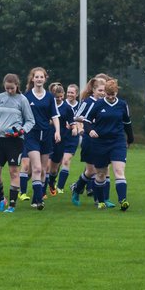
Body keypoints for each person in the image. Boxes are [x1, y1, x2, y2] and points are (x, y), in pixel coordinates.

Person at [0, 73, 34, 213]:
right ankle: (1, 199)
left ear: (16, 86)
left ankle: (12, 205)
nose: (9, 91)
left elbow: (30, 120)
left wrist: (21, 131)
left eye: (12, 88)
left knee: (14, 172)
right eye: (7, 88)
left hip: (15, 141)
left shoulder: (22, 100)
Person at [82, 76, 133, 211]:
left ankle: (123, 200)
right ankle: (100, 201)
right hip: (100, 143)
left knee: (119, 171)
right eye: (108, 94)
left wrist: (130, 139)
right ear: (104, 92)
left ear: (117, 92)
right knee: (101, 174)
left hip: (117, 142)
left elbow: (127, 123)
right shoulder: (98, 104)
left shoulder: (122, 105)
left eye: (113, 94)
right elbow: (86, 121)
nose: (110, 97)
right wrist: (91, 130)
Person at [19, 67, 60, 210]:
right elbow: (21, 115)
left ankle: (37, 198)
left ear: (45, 78)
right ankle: (39, 201)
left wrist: (57, 132)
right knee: (36, 168)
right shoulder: (26, 96)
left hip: (47, 134)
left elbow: (54, 116)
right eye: (36, 77)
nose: (39, 79)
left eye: (41, 77)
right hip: (31, 135)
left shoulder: (50, 97)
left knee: (43, 169)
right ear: (32, 79)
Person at [70, 75, 107, 206]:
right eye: (100, 91)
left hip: (102, 140)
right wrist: (88, 120)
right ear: (94, 90)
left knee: (102, 171)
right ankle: (77, 189)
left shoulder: (106, 103)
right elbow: (76, 117)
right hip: (89, 139)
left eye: (104, 91)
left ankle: (101, 200)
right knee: (91, 171)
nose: (102, 93)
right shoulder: (87, 102)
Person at [52, 83, 81, 193]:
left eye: (72, 92)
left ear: (76, 94)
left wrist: (75, 127)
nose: (70, 94)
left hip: (72, 138)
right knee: (56, 163)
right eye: (68, 92)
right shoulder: (58, 104)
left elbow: (83, 119)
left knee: (66, 160)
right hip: (60, 137)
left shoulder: (80, 106)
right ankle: (52, 181)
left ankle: (60, 187)